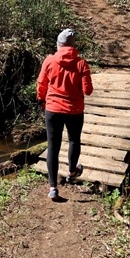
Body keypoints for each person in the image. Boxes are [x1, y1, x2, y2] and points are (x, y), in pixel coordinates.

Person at [37, 28, 93, 200]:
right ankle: (71, 172)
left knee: (53, 146)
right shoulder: (81, 64)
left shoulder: (49, 61)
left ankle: (53, 188)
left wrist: (41, 99)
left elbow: (41, 84)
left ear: (59, 45)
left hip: (53, 109)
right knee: (74, 140)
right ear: (73, 46)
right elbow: (88, 90)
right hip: (75, 110)